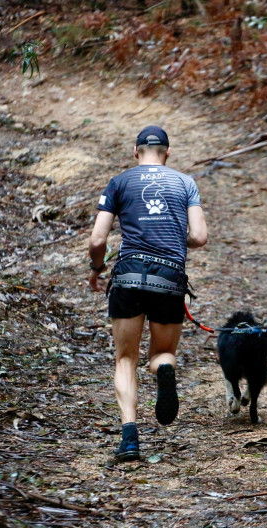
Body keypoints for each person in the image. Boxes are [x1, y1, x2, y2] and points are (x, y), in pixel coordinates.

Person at [88, 125, 208, 462]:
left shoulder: (120, 182)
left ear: (135, 151)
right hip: (169, 278)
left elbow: (98, 240)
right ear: (168, 153)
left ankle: (129, 439)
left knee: (125, 358)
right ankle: (164, 370)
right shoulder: (185, 183)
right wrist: (169, 236)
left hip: (127, 276)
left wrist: (96, 269)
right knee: (162, 353)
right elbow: (199, 237)